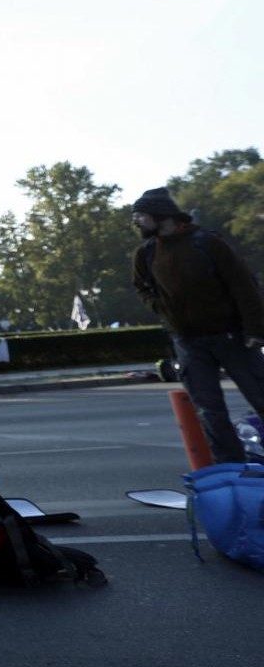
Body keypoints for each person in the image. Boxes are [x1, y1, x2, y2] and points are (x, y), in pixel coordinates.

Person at [131, 187, 264, 464]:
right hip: (188, 341)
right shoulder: (146, 253)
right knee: (209, 411)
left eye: (141, 215)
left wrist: (255, 329)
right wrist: (161, 308)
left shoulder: (207, 243)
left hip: (233, 336)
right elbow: (142, 287)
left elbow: (244, 286)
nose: (137, 221)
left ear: (161, 215)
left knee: (260, 397)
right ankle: (232, 470)